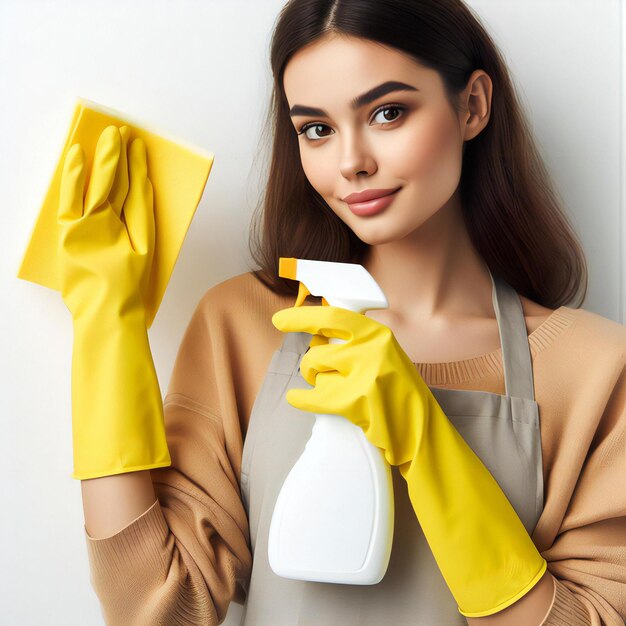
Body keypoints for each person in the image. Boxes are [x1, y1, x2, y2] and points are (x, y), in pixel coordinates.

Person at [66, 1, 625, 625]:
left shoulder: (594, 368)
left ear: (472, 106)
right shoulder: (242, 325)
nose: (351, 161)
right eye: (316, 129)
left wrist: (426, 440)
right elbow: (157, 607)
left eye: (388, 112)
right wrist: (106, 324)